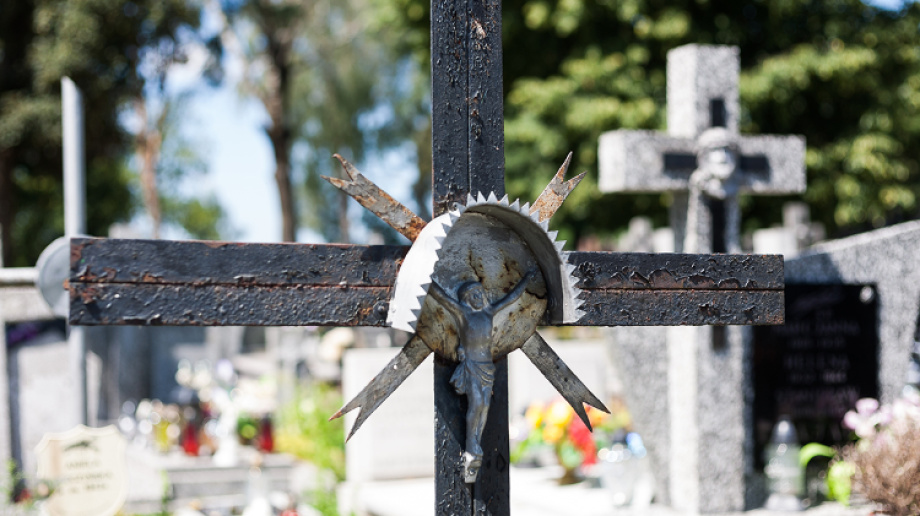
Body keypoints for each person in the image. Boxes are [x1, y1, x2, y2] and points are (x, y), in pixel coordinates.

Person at [428, 268, 537, 482]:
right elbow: (442, 298)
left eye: (480, 293)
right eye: (474, 294)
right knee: (476, 403)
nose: (479, 297)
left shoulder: (488, 312)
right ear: (467, 299)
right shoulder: (463, 313)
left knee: (485, 406)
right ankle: (471, 445)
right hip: (471, 365)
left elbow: (510, 298)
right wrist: (427, 280)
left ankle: (475, 445)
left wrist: (525, 280)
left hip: (487, 366)